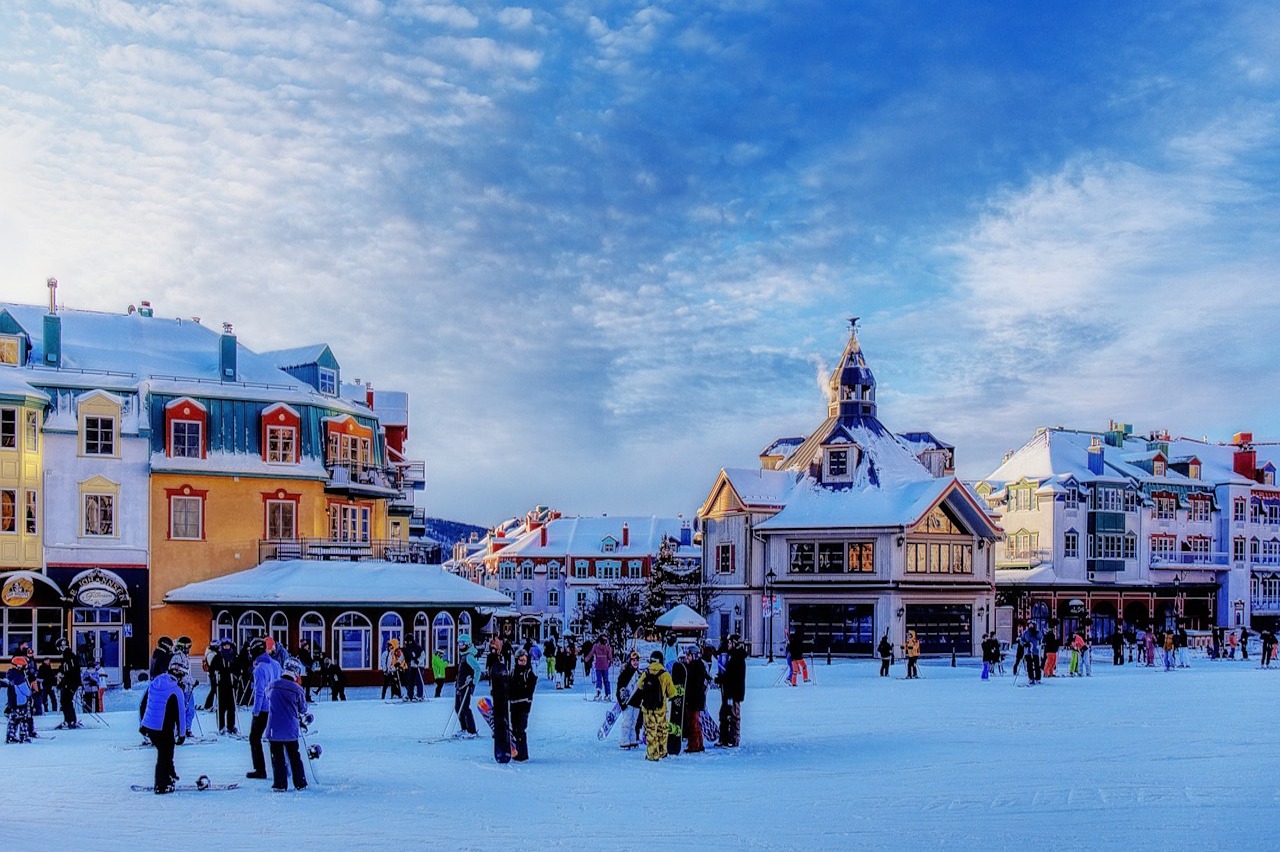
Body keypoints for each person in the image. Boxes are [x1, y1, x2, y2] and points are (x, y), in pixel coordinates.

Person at [140, 657, 186, 793]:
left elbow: (144, 703)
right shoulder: (176, 690)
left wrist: (143, 725)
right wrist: (182, 734)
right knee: (164, 755)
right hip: (163, 726)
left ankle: (170, 773)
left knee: (167, 750)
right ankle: (161, 785)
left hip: (150, 726)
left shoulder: (155, 682)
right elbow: (181, 715)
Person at [265, 658, 309, 792]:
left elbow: (268, 698)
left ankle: (279, 784)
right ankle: (300, 782)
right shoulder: (297, 689)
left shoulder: (272, 685)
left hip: (273, 729)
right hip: (290, 729)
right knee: (294, 756)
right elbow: (303, 708)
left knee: (277, 757)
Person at [246, 637, 282, 780]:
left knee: (254, 738)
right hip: (275, 706)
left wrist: (255, 712)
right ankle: (281, 768)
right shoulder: (275, 664)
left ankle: (260, 769)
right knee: (275, 740)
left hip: (264, 709)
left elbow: (259, 692)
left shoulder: (260, 669)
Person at [635, 650, 677, 761]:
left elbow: (639, 686)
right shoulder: (665, 674)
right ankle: (662, 751)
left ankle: (652, 754)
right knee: (662, 730)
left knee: (650, 731)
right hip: (661, 709)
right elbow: (672, 693)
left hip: (647, 709)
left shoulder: (646, 673)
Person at [715, 634, 748, 747]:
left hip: (734, 692)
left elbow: (733, 676)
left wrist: (722, 679)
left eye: (730, 643)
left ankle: (734, 739)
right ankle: (724, 737)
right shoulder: (732, 656)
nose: (728, 645)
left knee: (734, 715)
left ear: (734, 644)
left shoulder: (737, 658)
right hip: (729, 691)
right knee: (724, 713)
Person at [486, 636, 513, 764]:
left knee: (502, 717)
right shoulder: (493, 655)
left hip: (500, 686)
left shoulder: (497, 654)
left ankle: (506, 741)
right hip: (496, 678)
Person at [508, 648, 537, 762]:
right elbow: (508, 686)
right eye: (520, 660)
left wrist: (527, 700)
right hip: (514, 704)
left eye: (524, 660)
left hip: (524, 705)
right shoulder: (513, 672)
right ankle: (516, 751)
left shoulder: (529, 673)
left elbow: (530, 687)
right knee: (514, 729)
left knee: (521, 729)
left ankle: (523, 754)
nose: (523, 662)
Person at [681, 645, 708, 753]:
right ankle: (699, 744)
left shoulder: (696, 667)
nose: (686, 657)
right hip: (694, 699)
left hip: (694, 700)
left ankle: (694, 745)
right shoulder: (694, 666)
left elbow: (694, 685)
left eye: (688, 655)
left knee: (692, 723)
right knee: (694, 722)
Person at [454, 634, 480, 737]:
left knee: (465, 708)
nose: (460, 645)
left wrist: (473, 682)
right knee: (458, 707)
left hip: (466, 686)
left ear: (467, 644)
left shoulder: (469, 656)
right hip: (459, 686)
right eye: (459, 643)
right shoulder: (463, 656)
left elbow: (477, 669)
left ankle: (472, 730)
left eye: (462, 643)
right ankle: (464, 728)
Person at [211, 639, 239, 734]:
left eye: (228, 645)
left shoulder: (233, 656)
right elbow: (212, 669)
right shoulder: (218, 656)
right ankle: (221, 726)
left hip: (231, 684)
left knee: (231, 707)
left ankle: (231, 726)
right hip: (221, 684)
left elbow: (237, 668)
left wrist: (236, 677)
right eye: (224, 645)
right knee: (221, 707)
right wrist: (214, 677)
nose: (226, 647)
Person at [616, 650, 643, 750]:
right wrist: (622, 703)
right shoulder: (625, 674)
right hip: (627, 703)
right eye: (633, 660)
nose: (635, 662)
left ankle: (632, 740)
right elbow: (619, 690)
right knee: (627, 722)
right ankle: (624, 741)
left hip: (636, 702)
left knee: (634, 722)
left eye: (637, 660)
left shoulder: (639, 674)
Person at [5, 656, 33, 743]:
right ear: (19, 666)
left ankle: (10, 736)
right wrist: (30, 693)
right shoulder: (19, 677)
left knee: (13, 720)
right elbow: (26, 691)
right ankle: (24, 736)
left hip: (13, 702)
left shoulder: (10, 674)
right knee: (24, 719)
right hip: (20, 702)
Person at [55, 640, 81, 730]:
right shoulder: (67, 657)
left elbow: (70, 672)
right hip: (70, 682)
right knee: (66, 701)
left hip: (71, 683)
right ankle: (70, 720)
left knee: (66, 701)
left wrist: (62, 683)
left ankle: (70, 720)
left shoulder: (69, 657)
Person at [402, 635, 425, 702]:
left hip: (419, 666)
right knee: (410, 680)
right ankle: (409, 695)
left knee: (419, 680)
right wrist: (398, 662)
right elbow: (404, 656)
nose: (406, 643)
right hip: (413, 665)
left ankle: (419, 695)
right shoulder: (407, 648)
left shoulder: (417, 647)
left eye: (407, 641)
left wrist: (419, 661)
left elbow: (423, 655)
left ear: (410, 641)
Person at [591, 635, 612, 701]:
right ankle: (608, 694)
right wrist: (611, 661)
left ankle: (598, 693)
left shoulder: (596, 646)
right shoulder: (607, 647)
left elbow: (591, 654)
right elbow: (610, 656)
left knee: (599, 680)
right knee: (606, 680)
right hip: (605, 666)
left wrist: (585, 659)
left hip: (598, 666)